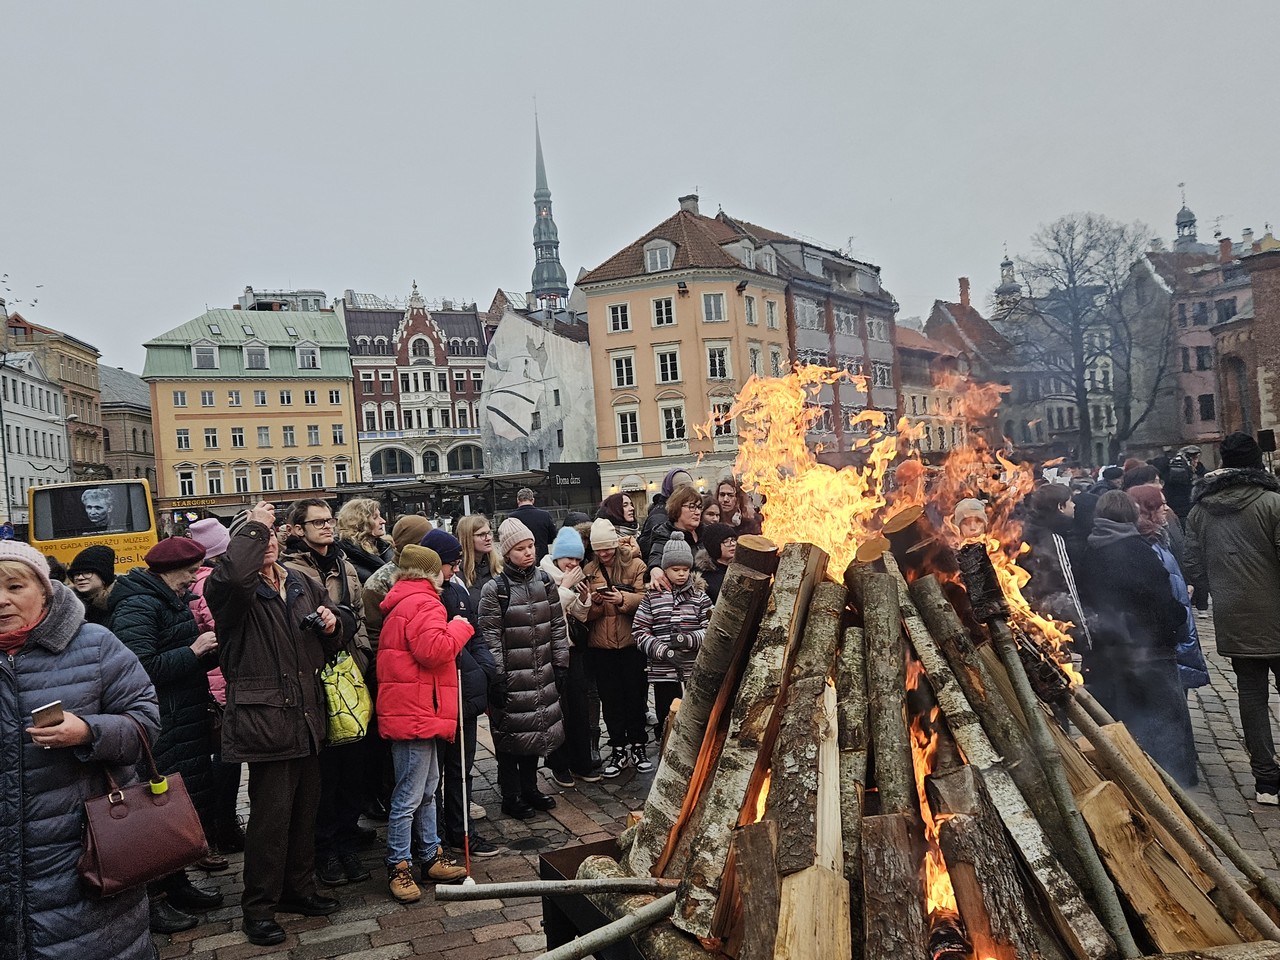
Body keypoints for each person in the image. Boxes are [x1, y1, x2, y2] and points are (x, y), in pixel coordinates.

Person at [0, 541, 160, 960]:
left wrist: (89, 731)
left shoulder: (95, 645)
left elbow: (146, 723)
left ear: (44, 589)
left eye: (15, 587)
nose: (2, 601)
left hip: (84, 857)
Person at [205, 502, 352, 946]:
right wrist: (255, 524)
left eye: (272, 536)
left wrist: (332, 623)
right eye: (256, 538)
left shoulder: (301, 582)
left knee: (305, 811)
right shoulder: (232, 590)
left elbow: (341, 623)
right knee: (270, 820)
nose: (267, 542)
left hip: (306, 715)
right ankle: (259, 908)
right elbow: (232, 575)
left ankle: (297, 890)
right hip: (265, 720)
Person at [107, 535, 224, 933]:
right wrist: (193, 651)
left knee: (175, 808)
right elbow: (138, 667)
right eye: (190, 572)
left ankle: (177, 883)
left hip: (182, 716)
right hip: (161, 722)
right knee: (156, 813)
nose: (194, 579)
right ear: (168, 571)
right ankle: (153, 899)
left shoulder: (168, 599)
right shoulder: (139, 603)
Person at [281, 498, 374, 890]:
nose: (327, 527)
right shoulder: (290, 571)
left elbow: (361, 615)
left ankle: (347, 834)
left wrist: (365, 657)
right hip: (315, 676)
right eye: (317, 522)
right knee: (326, 770)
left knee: (356, 763)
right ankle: (325, 847)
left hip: (351, 673)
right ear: (298, 529)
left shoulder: (344, 563)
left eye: (329, 520)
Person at [1184, 432, 1280, 804]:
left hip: (1234, 615)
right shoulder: (1273, 503)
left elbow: (1193, 563)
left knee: (1251, 696)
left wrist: (1221, 591)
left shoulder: (1199, 511)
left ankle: (1266, 781)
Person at [1078, 490, 1197, 786]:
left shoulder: (1089, 552)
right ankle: (1172, 781)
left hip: (1111, 650)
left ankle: (1128, 775)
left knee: (1122, 718)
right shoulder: (1140, 552)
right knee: (1165, 719)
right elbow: (1161, 601)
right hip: (1152, 648)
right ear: (1131, 517)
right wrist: (1179, 619)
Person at [376, 545, 474, 902]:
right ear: (431, 572)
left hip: (416, 708)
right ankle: (399, 864)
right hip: (416, 710)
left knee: (427, 787)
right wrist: (460, 628)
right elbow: (433, 651)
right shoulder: (425, 602)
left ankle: (430, 854)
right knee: (410, 794)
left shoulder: (403, 600)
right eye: (444, 568)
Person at [479, 518, 568, 819]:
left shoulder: (544, 581)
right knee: (509, 735)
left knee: (535, 732)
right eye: (520, 548)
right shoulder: (496, 588)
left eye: (530, 546)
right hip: (512, 675)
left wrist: (560, 662)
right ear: (507, 553)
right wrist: (498, 676)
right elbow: (490, 634)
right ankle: (511, 793)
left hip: (541, 670)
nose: (528, 552)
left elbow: (557, 623)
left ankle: (530, 787)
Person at [420, 528, 500, 859]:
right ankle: (433, 835)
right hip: (437, 700)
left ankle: (461, 829)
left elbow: (475, 635)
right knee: (432, 776)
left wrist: (484, 668)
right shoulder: (425, 598)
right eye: (450, 563)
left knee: (460, 771)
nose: (454, 569)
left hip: (464, 694)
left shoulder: (457, 590)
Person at [361, 513, 435, 823]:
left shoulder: (425, 577)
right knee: (403, 761)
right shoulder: (383, 580)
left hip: (415, 679)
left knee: (423, 772)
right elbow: (376, 634)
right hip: (396, 678)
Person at [187, 517, 246, 857]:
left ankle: (215, 825)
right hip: (221, 681)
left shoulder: (192, 582)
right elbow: (224, 630)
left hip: (209, 682)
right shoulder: (211, 584)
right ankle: (222, 826)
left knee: (218, 757)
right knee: (226, 760)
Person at [582, 518, 649, 777]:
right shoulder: (589, 570)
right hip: (601, 646)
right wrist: (595, 602)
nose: (604, 554)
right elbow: (585, 613)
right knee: (610, 700)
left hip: (632, 644)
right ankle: (618, 747)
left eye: (607, 548)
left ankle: (638, 745)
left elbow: (647, 601)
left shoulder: (636, 564)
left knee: (636, 696)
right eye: (599, 550)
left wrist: (623, 598)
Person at [633, 532, 713, 749]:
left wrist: (688, 640)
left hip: (692, 669)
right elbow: (640, 631)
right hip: (663, 673)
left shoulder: (699, 598)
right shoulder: (652, 597)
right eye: (675, 570)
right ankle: (665, 749)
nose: (681, 574)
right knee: (666, 714)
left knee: (695, 716)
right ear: (665, 569)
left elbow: (711, 630)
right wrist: (663, 651)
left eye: (685, 570)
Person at [1127, 484, 1209, 692]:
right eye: (1160, 504)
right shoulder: (1146, 544)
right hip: (1168, 630)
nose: (1166, 508)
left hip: (1178, 620)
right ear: (1147, 508)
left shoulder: (1159, 537)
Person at [539, 526, 600, 787]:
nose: (573, 564)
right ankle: (559, 764)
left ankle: (581, 761)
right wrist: (565, 588)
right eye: (569, 559)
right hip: (551, 654)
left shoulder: (571, 578)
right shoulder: (543, 576)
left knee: (578, 708)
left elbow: (577, 618)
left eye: (577, 559)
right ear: (557, 556)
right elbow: (546, 612)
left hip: (572, 650)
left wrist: (583, 600)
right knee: (556, 712)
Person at [1017, 485, 1089, 645]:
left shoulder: (1029, 530)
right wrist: (1084, 636)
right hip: (1058, 621)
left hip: (1038, 617)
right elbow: (1065, 585)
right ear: (1060, 506)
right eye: (1070, 501)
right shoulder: (1052, 539)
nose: (1074, 505)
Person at [645, 484, 704, 588]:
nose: (698, 512)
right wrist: (655, 568)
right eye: (692, 507)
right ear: (677, 508)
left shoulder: (705, 531)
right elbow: (656, 555)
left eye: (699, 507)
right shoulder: (664, 532)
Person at [336, 497, 394, 584]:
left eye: (380, 516)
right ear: (360, 523)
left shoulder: (384, 546)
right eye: (375, 517)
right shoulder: (344, 556)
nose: (383, 521)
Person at [456, 513, 503, 611]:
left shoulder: (498, 568)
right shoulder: (456, 574)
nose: (488, 538)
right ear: (467, 538)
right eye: (482, 535)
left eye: (489, 533)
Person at [67, 543, 116, 626]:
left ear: (104, 576)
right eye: (76, 574)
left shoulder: (120, 601)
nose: (80, 577)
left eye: (87, 572)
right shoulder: (68, 604)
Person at [509, 487, 558, 561]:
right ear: (533, 500)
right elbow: (553, 536)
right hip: (542, 557)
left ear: (518, 500)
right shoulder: (545, 515)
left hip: (521, 559)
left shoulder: (512, 517)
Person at [696, 522, 737, 604]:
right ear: (715, 546)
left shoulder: (742, 570)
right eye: (726, 541)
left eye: (733, 540)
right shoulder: (706, 580)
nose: (732, 544)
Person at [1165, 445, 1204, 525]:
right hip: (1184, 513)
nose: (1196, 461)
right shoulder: (1177, 472)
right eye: (1194, 458)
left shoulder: (1200, 471)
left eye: (1196, 458)